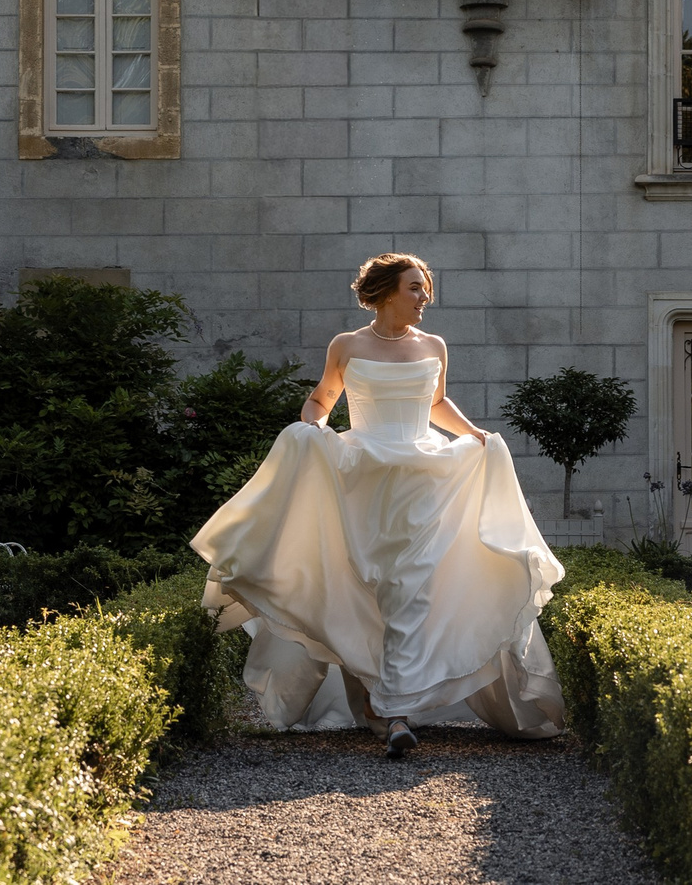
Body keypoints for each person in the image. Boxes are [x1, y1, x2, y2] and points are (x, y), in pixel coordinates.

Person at [191, 252, 566, 757]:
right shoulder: (347, 345)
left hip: (421, 484)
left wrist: (474, 435)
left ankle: (395, 715)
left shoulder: (433, 346)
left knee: (410, 590)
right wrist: (312, 430)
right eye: (415, 288)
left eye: (425, 290)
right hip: (363, 479)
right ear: (387, 292)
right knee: (366, 593)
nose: (424, 299)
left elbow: (435, 404)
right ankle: (378, 704)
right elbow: (323, 398)